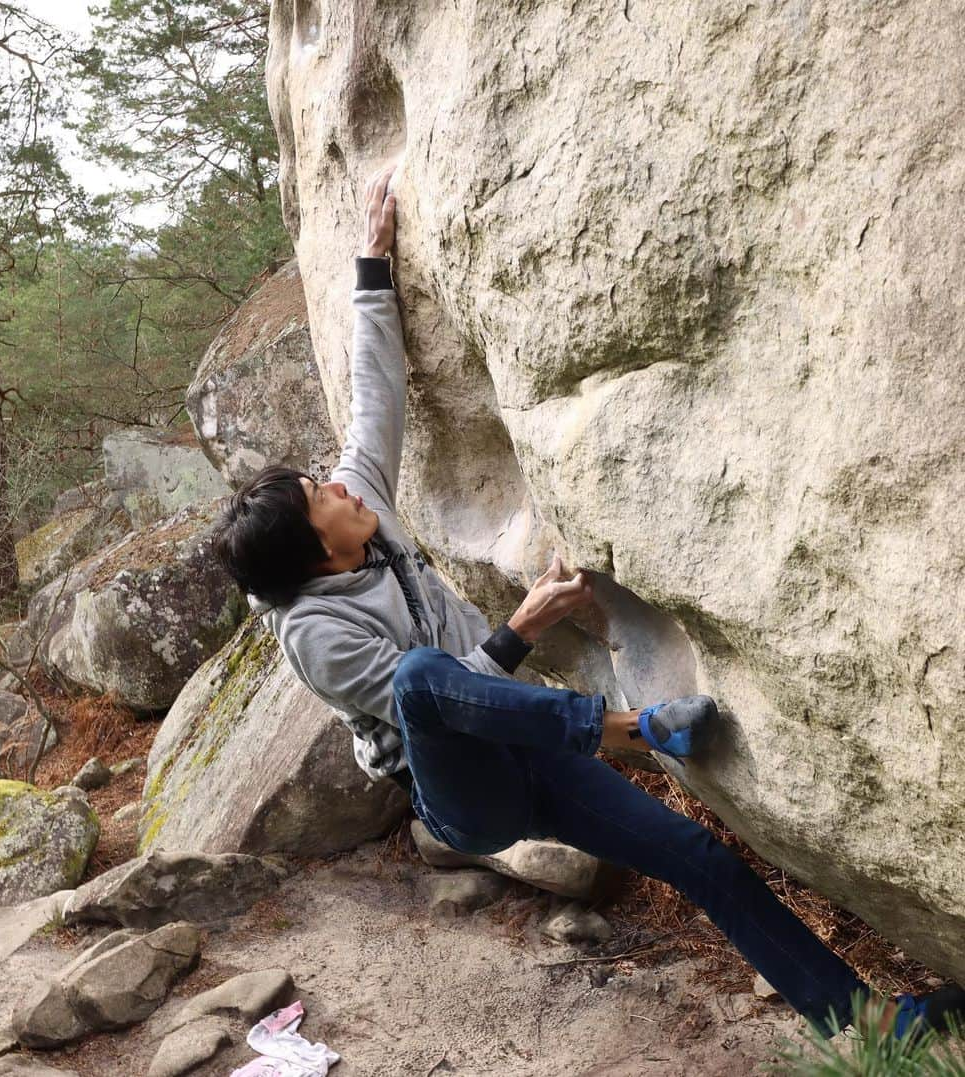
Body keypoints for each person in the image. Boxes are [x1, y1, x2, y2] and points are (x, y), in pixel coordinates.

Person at [213, 164, 963, 1043]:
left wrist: (371, 268)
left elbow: (376, 398)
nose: (338, 484)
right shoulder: (315, 633)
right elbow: (446, 696)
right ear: (316, 553)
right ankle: (634, 728)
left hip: (534, 738)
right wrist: (526, 625)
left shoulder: (356, 514)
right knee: (420, 676)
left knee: (694, 854)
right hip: (467, 792)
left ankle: (870, 1020)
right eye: (321, 497)